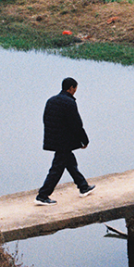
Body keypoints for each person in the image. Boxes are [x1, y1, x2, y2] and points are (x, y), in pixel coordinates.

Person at [35, 77, 94, 205]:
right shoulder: (69, 103)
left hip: (54, 138)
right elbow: (76, 124)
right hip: (64, 141)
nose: (75, 91)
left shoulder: (51, 101)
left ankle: (83, 186)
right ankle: (43, 195)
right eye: (75, 89)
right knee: (57, 169)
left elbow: (46, 120)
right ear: (71, 88)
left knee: (70, 163)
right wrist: (84, 140)